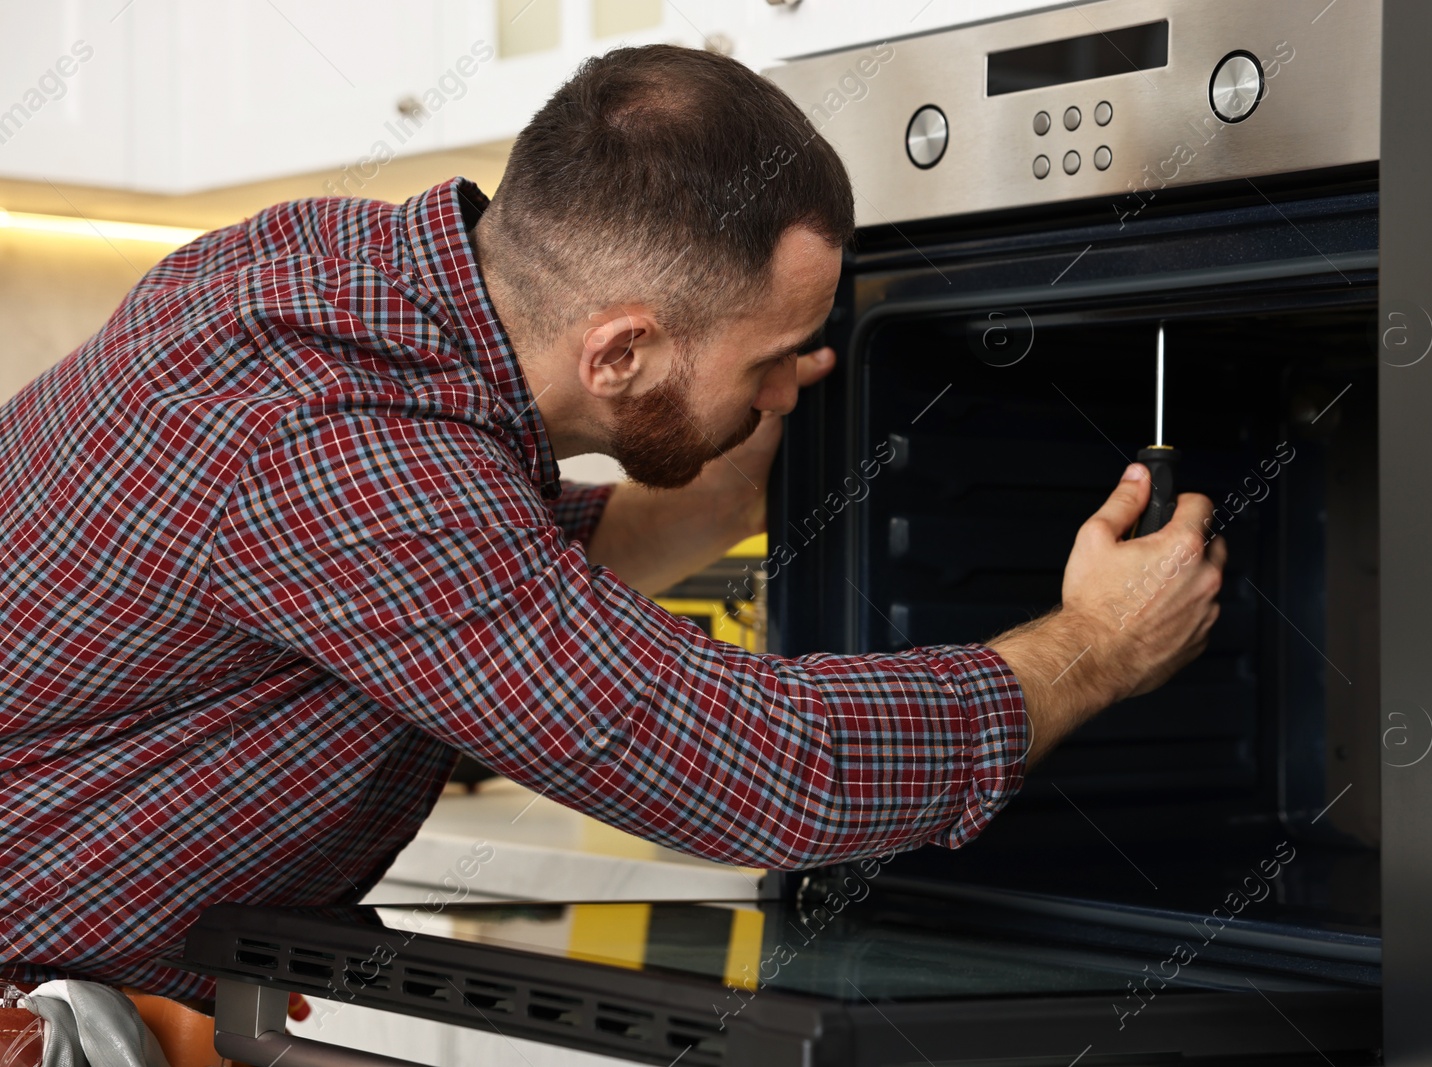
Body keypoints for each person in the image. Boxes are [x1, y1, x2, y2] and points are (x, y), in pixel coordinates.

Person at [0, 43, 1223, 1010]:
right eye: (766, 356)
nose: (784, 382)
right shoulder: (339, 450)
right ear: (622, 350)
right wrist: (1096, 646)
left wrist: (713, 481)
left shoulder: (324, 270)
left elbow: (469, 579)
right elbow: (767, 770)